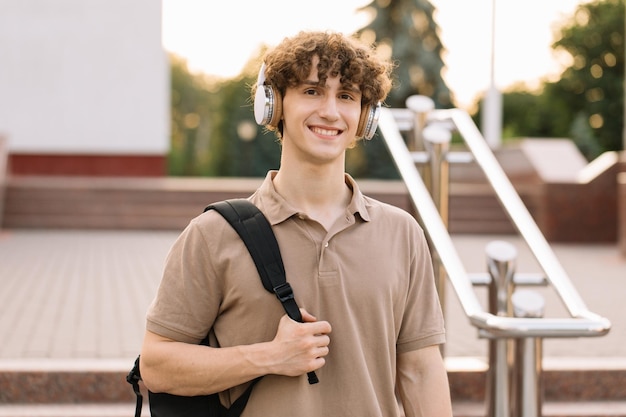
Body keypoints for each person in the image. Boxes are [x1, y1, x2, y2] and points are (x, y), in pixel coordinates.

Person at [140, 30, 453, 417]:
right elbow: (156, 365)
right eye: (311, 91)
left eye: (347, 96)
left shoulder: (402, 233)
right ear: (273, 105)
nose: (330, 111)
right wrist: (268, 357)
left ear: (365, 117)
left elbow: (421, 370)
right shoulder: (213, 234)